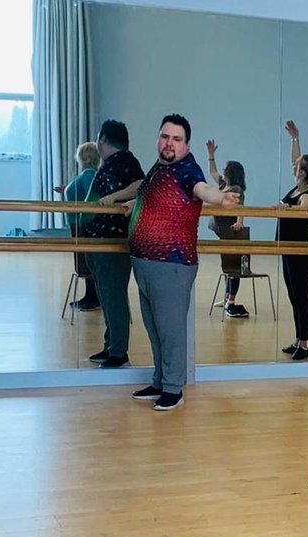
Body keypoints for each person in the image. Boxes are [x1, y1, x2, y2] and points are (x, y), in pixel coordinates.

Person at [124, 114, 239, 410]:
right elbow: (153, 198)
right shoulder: (159, 168)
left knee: (170, 329)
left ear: (186, 145)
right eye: (165, 136)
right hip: (146, 263)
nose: (169, 143)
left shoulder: (187, 168)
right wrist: (133, 206)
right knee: (154, 328)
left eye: (176, 139)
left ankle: (173, 388)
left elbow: (202, 189)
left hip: (171, 264)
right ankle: (161, 380)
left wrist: (219, 198)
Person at [82, 120, 145, 368]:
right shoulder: (109, 163)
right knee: (107, 296)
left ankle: (119, 352)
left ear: (103, 139)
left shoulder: (126, 161)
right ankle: (110, 345)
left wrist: (114, 197)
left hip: (113, 242)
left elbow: (142, 185)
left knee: (114, 295)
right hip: (99, 241)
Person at [276, 120, 308, 361]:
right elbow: (296, 159)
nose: (293, 166)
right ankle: (297, 339)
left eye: (297, 166)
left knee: (300, 296)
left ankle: (304, 344)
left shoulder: (307, 196)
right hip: (288, 249)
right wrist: (295, 138)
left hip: (300, 251)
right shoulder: (296, 190)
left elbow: (301, 211)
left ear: (303, 173)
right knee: (293, 296)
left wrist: (285, 208)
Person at [204, 140, 248, 318]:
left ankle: (231, 300)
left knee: (232, 266)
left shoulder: (236, 188)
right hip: (220, 229)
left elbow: (241, 206)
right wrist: (210, 155)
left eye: (225, 168)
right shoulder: (224, 185)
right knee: (226, 265)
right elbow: (212, 172)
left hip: (230, 230)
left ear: (231, 173)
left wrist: (239, 221)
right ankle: (226, 296)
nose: (222, 170)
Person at [56, 141, 101, 311]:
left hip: (83, 225)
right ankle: (90, 295)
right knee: (83, 261)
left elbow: (92, 197)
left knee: (85, 262)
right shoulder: (87, 176)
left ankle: (94, 297)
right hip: (79, 224)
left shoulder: (88, 176)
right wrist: (66, 189)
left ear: (82, 158)